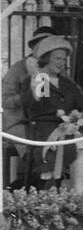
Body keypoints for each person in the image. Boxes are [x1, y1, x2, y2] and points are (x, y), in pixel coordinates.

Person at [19, 36, 83, 188]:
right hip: (46, 131)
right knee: (81, 146)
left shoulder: (67, 83)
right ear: (45, 58)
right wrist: (36, 80)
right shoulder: (40, 80)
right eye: (57, 58)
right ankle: (78, 193)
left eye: (64, 60)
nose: (61, 63)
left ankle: (81, 190)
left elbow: (82, 106)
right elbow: (34, 104)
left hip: (71, 128)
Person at [3, 24, 58, 187]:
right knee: (34, 155)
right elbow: (5, 100)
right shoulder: (17, 69)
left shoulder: (55, 69)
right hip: (19, 121)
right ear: (34, 47)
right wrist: (28, 97)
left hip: (47, 121)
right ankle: (30, 189)